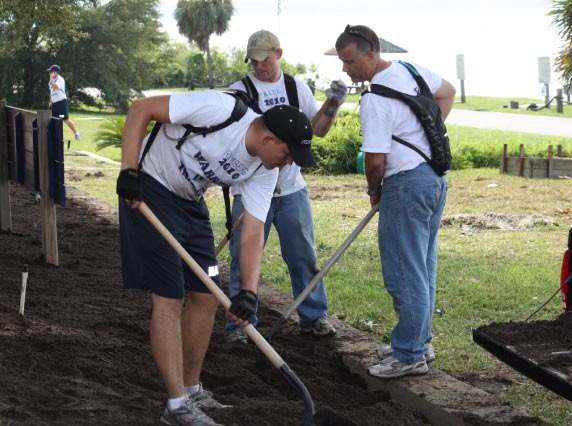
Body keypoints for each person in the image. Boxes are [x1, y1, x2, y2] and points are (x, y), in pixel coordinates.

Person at [116, 89, 317, 425]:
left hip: (191, 206)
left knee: (208, 292)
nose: (290, 162)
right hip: (151, 191)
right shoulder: (219, 109)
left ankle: (192, 389)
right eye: (289, 153)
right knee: (169, 296)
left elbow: (253, 232)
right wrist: (129, 171)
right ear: (269, 138)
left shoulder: (265, 170)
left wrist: (248, 293)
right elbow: (141, 109)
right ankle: (176, 406)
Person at [334, 25, 456, 379]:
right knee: (422, 269)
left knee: (405, 273)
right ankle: (420, 341)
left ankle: (408, 355)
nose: (345, 69)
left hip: (404, 186)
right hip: (432, 181)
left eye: (350, 61)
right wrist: (426, 132)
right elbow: (447, 93)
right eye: (343, 62)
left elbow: (375, 161)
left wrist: (374, 189)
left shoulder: (374, 101)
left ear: (370, 54)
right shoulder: (411, 71)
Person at [223, 29, 348, 343]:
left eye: (264, 59)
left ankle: (314, 317)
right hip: (250, 190)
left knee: (303, 255)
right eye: (253, 61)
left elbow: (316, 130)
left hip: (292, 189)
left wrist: (331, 104)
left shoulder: (296, 88)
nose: (258, 66)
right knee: (242, 257)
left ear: (278, 54)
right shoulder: (239, 91)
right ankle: (239, 324)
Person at [47, 65, 80, 140]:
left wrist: (51, 79)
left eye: (51, 71)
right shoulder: (50, 82)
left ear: (55, 72)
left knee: (65, 119)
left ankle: (76, 133)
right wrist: (50, 101)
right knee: (53, 119)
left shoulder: (60, 79)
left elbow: (55, 87)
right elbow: (51, 91)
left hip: (61, 103)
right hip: (54, 103)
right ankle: (54, 136)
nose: (49, 73)